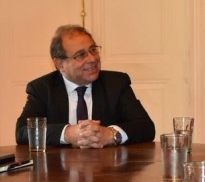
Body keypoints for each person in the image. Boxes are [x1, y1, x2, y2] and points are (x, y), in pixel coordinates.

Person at [14, 24, 155, 148]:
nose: (92, 59)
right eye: (80, 55)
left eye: (93, 50)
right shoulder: (42, 89)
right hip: (59, 168)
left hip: (108, 167)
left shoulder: (116, 83)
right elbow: (22, 131)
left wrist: (111, 134)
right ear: (60, 64)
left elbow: (146, 127)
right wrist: (68, 133)